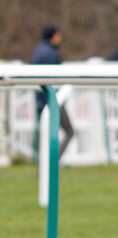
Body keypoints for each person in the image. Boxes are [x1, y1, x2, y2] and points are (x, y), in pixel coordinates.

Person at [30, 24, 75, 160]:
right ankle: (52, 162)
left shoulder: (38, 51)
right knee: (69, 131)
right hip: (51, 99)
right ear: (53, 36)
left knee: (43, 134)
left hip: (41, 99)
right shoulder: (49, 53)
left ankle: (43, 163)